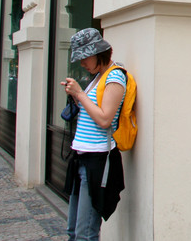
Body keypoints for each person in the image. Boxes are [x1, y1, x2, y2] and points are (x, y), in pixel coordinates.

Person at [61, 28, 126, 241]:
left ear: (98, 53)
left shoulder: (115, 76)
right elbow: (92, 111)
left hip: (97, 161)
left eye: (84, 57)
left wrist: (80, 94)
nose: (82, 63)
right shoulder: (98, 77)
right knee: (73, 230)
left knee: (85, 234)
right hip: (82, 158)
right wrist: (76, 96)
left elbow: (105, 119)